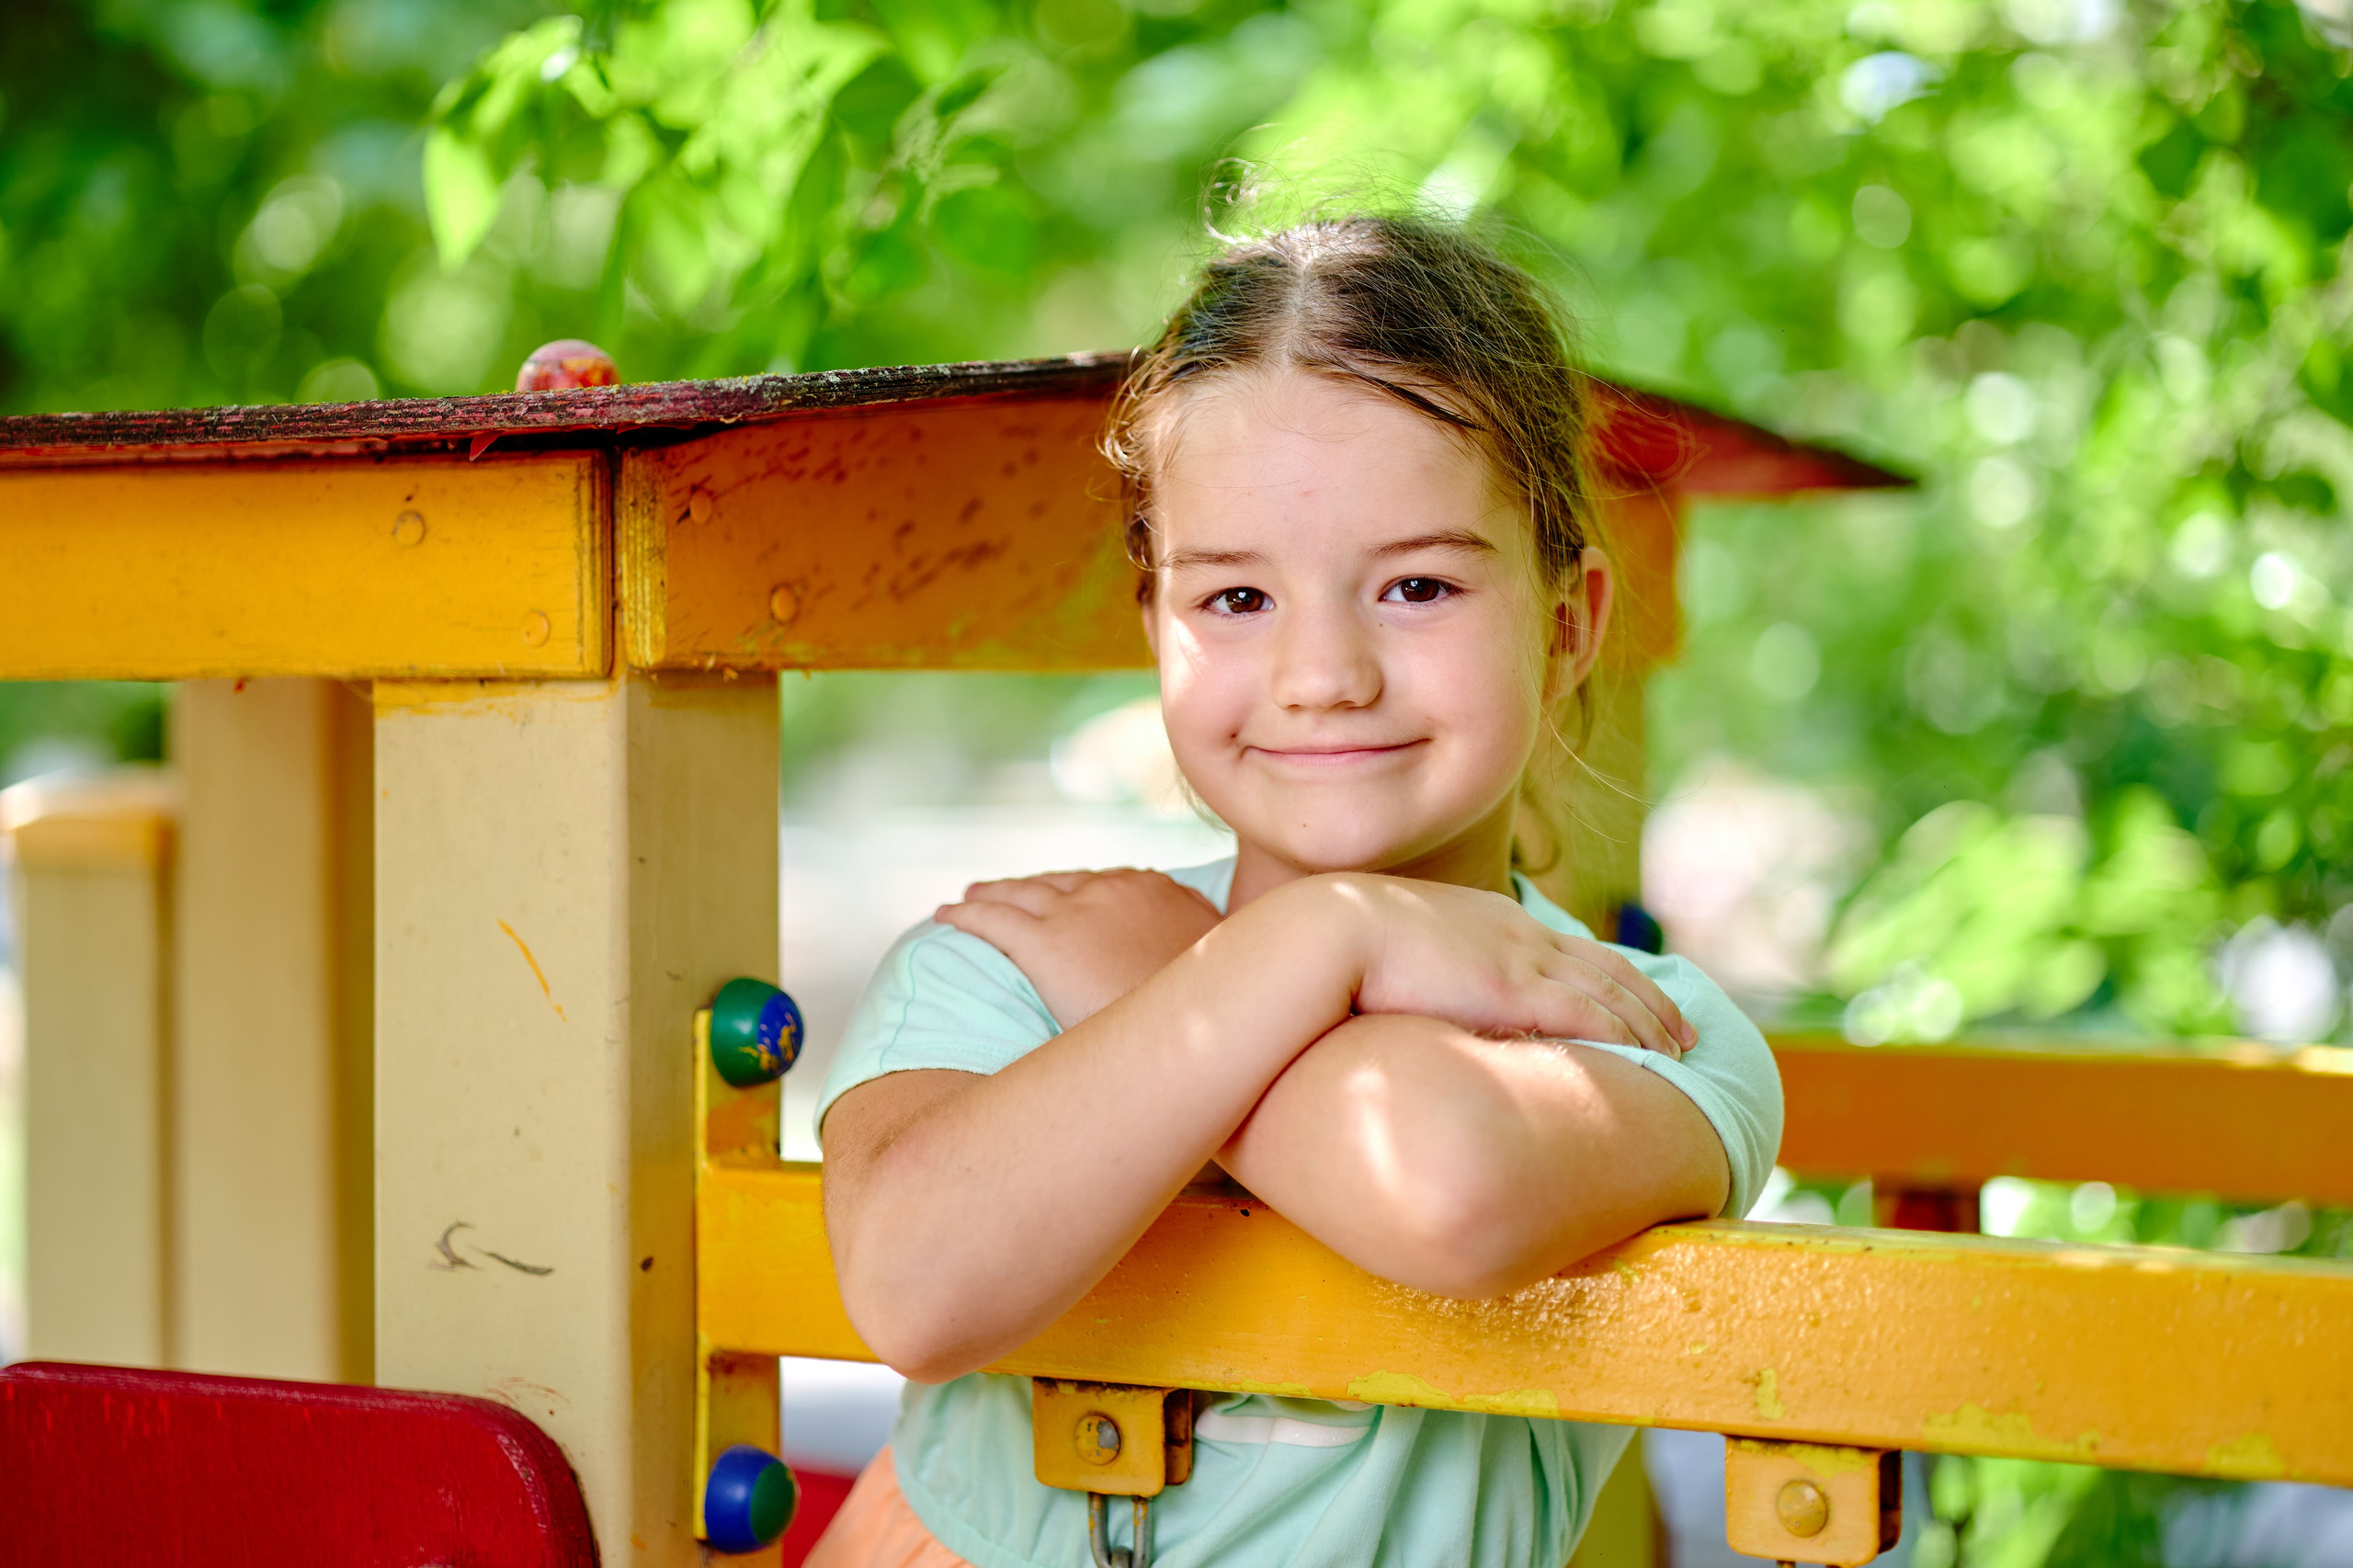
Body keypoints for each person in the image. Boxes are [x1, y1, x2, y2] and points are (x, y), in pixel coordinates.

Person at [807, 214, 1784, 1568]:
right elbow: (915, 1286)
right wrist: (1333, 934)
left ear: (1567, 626)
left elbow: (1444, 1182)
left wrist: (1234, 966)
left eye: (1418, 584)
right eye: (1237, 600)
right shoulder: (1015, 961)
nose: (1325, 672)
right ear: (1156, 622)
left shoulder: (1648, 1028)